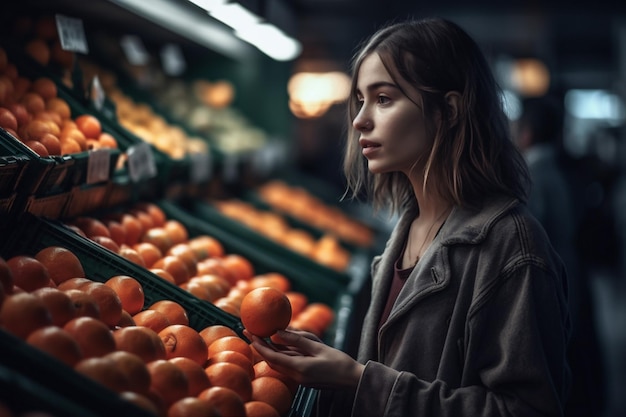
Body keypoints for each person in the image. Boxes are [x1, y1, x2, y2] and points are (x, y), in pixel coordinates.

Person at [245, 17, 572, 417]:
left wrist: (358, 379)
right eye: (360, 100)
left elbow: (528, 410)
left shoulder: (512, 248)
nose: (360, 120)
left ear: (448, 110)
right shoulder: (409, 228)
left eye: (383, 99)